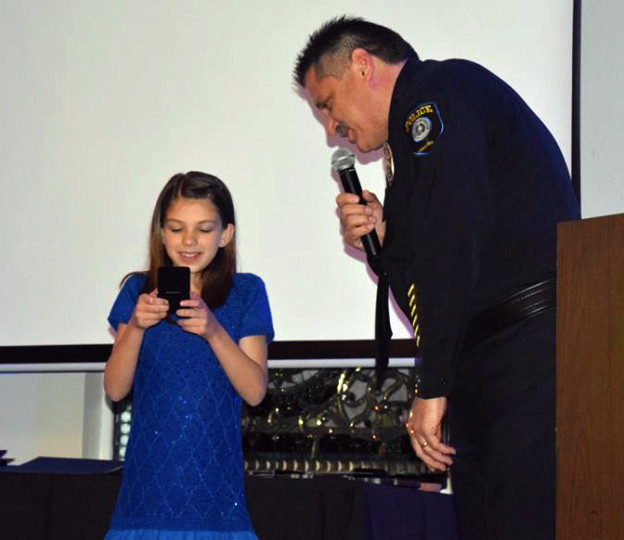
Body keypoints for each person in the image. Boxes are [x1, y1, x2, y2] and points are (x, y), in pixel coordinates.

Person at [294, 16, 579, 540]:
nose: (332, 128)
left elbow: (454, 246)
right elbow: (427, 289)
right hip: (492, 359)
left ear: (362, 65)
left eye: (327, 104)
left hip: (525, 352)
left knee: (520, 520)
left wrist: (432, 386)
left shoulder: (439, 96)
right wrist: (383, 242)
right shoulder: (410, 142)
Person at [103, 171, 274, 539]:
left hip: (216, 502)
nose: (189, 240)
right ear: (162, 233)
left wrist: (214, 331)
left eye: (204, 228)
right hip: (145, 499)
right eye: (177, 228)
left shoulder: (246, 292)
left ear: (225, 234)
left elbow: (255, 390)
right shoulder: (137, 291)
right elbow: (116, 389)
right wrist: (135, 326)